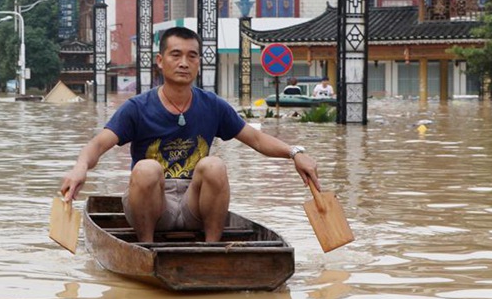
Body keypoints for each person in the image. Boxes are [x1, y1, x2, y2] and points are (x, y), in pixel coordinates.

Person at [60, 26, 320, 243]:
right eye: (176, 55)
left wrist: (295, 152)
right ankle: (145, 249)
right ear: (160, 61)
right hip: (153, 204)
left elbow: (256, 139)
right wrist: (79, 167)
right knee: (147, 168)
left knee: (214, 165)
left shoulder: (213, 105)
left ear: (198, 62)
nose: (184, 63)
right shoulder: (137, 108)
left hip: (195, 203)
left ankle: (212, 250)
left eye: (192, 56)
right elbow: (98, 144)